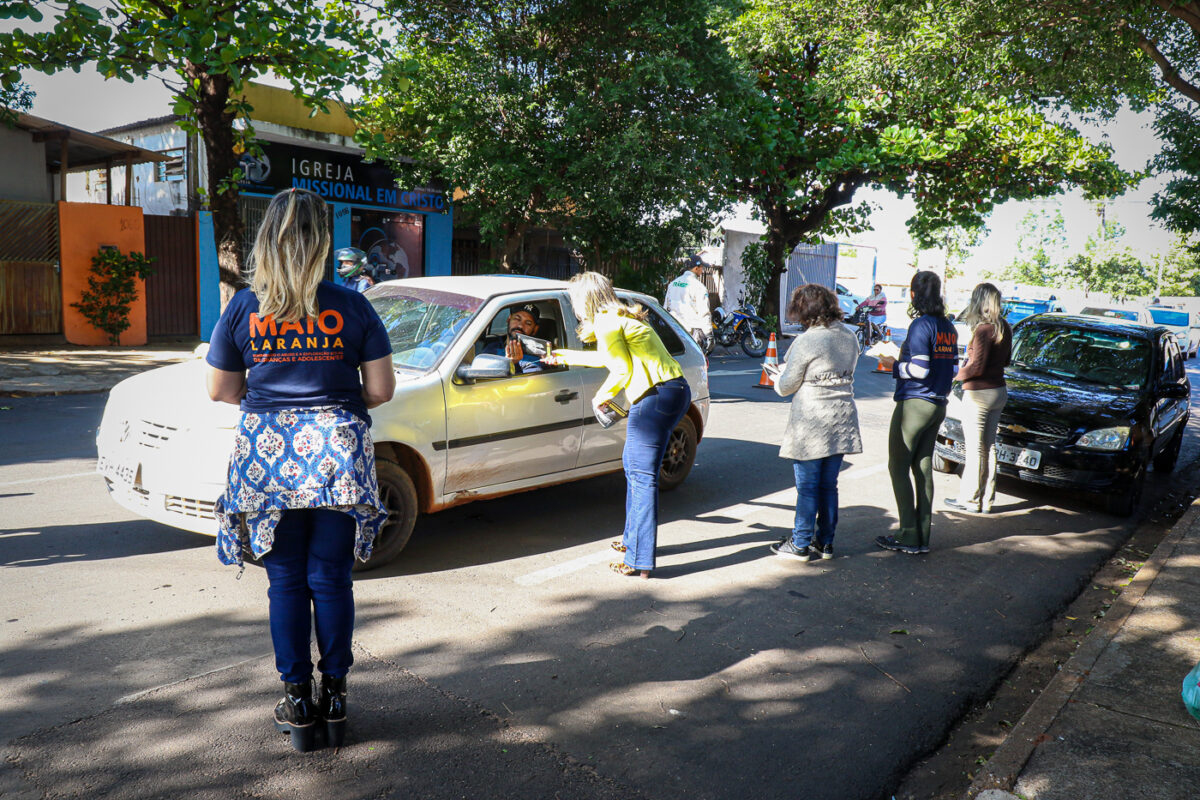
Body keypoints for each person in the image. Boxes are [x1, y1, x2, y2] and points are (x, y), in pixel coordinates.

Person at [205, 188, 397, 752]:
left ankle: (296, 700)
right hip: (338, 452)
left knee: (285, 580)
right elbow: (381, 389)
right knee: (330, 578)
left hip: (266, 457)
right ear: (323, 242)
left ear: (266, 240)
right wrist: (334, 399)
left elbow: (221, 390)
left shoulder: (244, 306)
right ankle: (335, 697)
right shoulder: (353, 305)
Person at [546, 272, 691, 578]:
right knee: (634, 467)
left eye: (574, 298)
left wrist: (601, 397)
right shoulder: (618, 316)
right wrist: (562, 356)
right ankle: (631, 541)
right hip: (671, 391)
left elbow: (621, 369)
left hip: (654, 396)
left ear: (585, 298)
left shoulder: (607, 322)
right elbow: (608, 358)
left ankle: (639, 560)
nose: (574, 305)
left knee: (641, 476)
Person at [769, 284, 862, 562]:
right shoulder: (849, 336)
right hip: (842, 416)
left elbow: (787, 386)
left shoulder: (808, 340)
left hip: (812, 420)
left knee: (808, 487)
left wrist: (776, 377)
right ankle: (825, 543)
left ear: (804, 310)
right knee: (828, 485)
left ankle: (799, 543)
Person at [875, 271, 957, 555]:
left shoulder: (921, 325)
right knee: (922, 469)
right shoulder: (948, 326)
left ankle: (908, 535)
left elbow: (920, 369)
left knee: (898, 467)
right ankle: (922, 537)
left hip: (915, 403)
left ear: (913, 294)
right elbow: (954, 368)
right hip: (938, 404)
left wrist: (893, 365)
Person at [945, 282, 1011, 514]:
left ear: (979, 301)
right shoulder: (1004, 327)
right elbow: (1006, 361)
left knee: (974, 449)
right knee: (989, 447)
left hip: (979, 394)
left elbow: (976, 367)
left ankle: (970, 500)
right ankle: (986, 500)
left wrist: (954, 376)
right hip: (999, 390)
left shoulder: (983, 330)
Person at [482, 304, 548, 374]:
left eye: (528, 323)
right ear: (509, 319)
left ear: (535, 329)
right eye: (517, 319)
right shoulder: (493, 347)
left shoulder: (537, 360)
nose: (520, 326)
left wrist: (513, 364)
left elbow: (527, 381)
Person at [664, 254, 712, 350]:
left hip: (672, 329)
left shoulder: (673, 284)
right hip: (689, 334)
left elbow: (666, 307)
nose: (702, 270)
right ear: (696, 268)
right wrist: (708, 334)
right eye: (701, 267)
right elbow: (704, 312)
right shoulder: (699, 287)